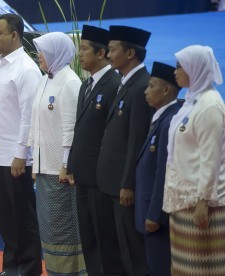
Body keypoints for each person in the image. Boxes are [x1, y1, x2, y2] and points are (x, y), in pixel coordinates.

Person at [0, 14, 42, 276]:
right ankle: (11, 266)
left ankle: (28, 268)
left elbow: (29, 117)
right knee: (4, 218)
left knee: (22, 217)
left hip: (15, 157)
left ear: (15, 35)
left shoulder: (27, 69)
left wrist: (21, 155)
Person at [163, 45, 225, 275]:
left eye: (180, 67)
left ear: (195, 69)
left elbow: (212, 159)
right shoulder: (191, 101)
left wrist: (202, 200)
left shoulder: (210, 106)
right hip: (183, 201)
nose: (175, 72)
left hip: (203, 204)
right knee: (184, 267)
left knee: (204, 267)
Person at [96, 25, 152, 275]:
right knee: (120, 245)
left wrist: (128, 184)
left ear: (130, 53)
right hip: (112, 182)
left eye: (112, 50)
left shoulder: (141, 87)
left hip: (123, 185)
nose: (108, 55)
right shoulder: (126, 83)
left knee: (132, 249)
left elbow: (136, 140)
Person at [28, 32, 84, 275]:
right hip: (43, 168)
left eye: (42, 51)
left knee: (65, 226)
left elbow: (72, 129)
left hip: (60, 171)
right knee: (49, 226)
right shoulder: (44, 80)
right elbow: (34, 125)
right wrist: (33, 162)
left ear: (56, 53)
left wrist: (65, 165)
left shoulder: (70, 82)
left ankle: (73, 272)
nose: (38, 56)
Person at [67, 24, 120, 276]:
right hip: (83, 175)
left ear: (101, 54)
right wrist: (71, 165)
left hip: (101, 177)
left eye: (85, 49)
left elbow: (112, 135)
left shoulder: (113, 84)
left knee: (105, 236)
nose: (80, 54)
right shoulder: (85, 85)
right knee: (88, 234)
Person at [135, 61, 181, 276]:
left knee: (161, 267)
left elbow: (164, 172)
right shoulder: (162, 117)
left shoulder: (170, 120)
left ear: (166, 90)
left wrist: (154, 214)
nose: (146, 91)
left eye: (151, 86)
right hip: (148, 210)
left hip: (157, 216)